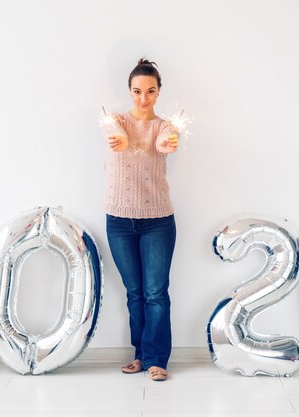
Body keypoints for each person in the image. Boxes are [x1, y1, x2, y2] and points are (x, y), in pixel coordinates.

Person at [103, 58, 179, 381]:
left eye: (150, 91)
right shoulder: (115, 121)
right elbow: (118, 135)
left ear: (158, 92)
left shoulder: (164, 127)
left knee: (155, 293)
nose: (143, 98)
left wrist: (164, 144)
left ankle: (157, 359)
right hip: (119, 221)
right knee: (134, 293)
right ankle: (140, 354)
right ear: (129, 91)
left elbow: (165, 142)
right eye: (137, 91)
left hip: (157, 221)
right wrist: (121, 141)